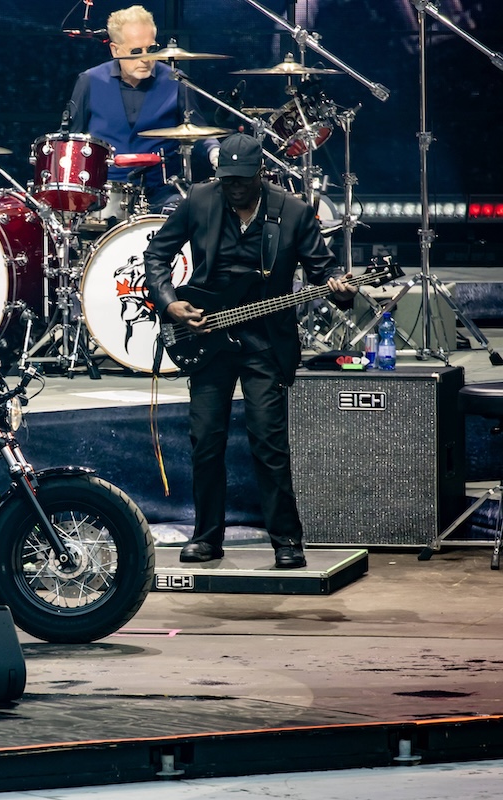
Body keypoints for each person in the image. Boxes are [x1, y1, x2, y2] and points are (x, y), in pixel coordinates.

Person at [143, 133, 355, 569]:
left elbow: (324, 270)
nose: (234, 187)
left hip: (265, 342)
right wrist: (170, 303)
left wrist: (341, 289)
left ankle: (286, 540)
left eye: (241, 180)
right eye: (227, 180)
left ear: (261, 173)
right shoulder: (200, 200)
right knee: (206, 440)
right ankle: (206, 538)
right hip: (207, 338)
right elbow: (156, 255)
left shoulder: (293, 212)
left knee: (268, 442)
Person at [67, 4, 220, 214]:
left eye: (152, 49)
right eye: (136, 51)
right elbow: (71, 141)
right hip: (104, 195)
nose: (145, 58)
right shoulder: (90, 81)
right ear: (114, 50)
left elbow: (200, 130)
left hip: (164, 193)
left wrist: (215, 150)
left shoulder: (176, 81)